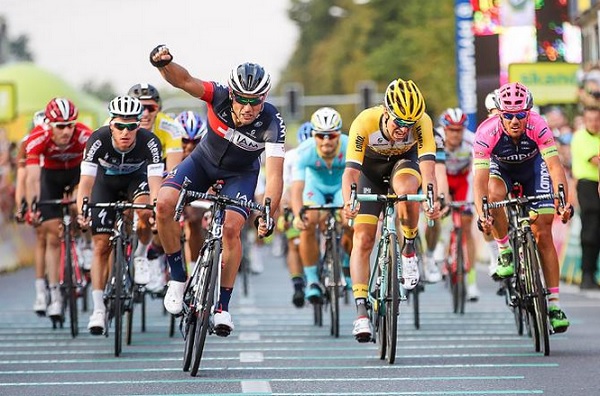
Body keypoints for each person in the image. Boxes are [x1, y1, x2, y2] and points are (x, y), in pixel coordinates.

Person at [149, 44, 285, 336]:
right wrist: (163, 64)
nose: (249, 108)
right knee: (164, 203)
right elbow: (184, 80)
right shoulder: (217, 95)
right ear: (232, 95)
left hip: (241, 175)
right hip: (202, 163)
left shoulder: (272, 122)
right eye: (243, 100)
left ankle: (222, 307)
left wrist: (268, 213)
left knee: (232, 229)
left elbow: (274, 175)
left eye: (256, 101)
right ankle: (177, 277)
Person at [342, 78, 441, 341]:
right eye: (399, 122)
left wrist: (432, 199)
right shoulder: (364, 121)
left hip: (403, 165)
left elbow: (429, 169)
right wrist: (349, 201)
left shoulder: (422, 123)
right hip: (369, 173)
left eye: (410, 124)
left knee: (407, 192)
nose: (404, 128)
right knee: (362, 239)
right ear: (386, 112)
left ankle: (409, 248)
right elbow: (351, 171)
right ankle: (361, 311)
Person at [473, 82, 574, 333]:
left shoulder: (538, 125)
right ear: (500, 113)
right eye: (508, 115)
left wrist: (563, 201)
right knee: (494, 193)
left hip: (532, 169)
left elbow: (554, 166)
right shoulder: (487, 132)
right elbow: (479, 182)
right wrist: (482, 214)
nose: (514, 120)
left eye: (520, 115)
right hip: (501, 171)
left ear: (528, 112)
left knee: (543, 233)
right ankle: (504, 248)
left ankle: (553, 305)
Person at [76, 95, 164, 335]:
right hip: (106, 183)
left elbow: (156, 184)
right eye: (120, 126)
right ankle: (98, 310)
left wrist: (156, 208)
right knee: (101, 245)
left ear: (139, 125)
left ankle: (141, 254)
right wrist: (82, 208)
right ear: (111, 124)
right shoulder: (98, 139)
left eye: (132, 126)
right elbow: (85, 182)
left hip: (137, 181)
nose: (126, 132)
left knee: (145, 213)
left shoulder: (151, 141)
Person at [24, 98, 93, 320]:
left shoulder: (84, 135)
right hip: (50, 180)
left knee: (80, 203)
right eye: (60, 126)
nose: (66, 131)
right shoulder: (38, 137)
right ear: (49, 125)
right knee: (53, 237)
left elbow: (93, 175)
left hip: (76, 176)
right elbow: (32, 179)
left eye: (70, 125)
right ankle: (54, 295)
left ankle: (85, 243)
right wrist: (33, 207)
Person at [291, 107, 349, 305]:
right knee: (308, 223)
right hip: (314, 188)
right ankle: (313, 281)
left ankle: (348, 265)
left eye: (331, 135)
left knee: (352, 221)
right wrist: (299, 215)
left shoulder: (350, 146)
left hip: (342, 187)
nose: (326, 140)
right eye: (321, 135)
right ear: (314, 135)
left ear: (338, 135)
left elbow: (360, 179)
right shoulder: (305, 150)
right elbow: (297, 188)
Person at [280, 121, 312, 307]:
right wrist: (284, 209)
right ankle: (298, 285)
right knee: (294, 244)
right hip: (295, 199)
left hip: (318, 199)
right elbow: (285, 185)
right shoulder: (292, 156)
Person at [570, 106, 600, 290]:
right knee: (591, 228)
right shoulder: (581, 137)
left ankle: (592, 273)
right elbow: (596, 160)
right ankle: (586, 274)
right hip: (588, 185)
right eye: (590, 120)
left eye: (596, 119)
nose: (594, 123)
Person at [127, 83, 184, 172]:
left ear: (158, 109)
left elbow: (172, 172)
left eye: (151, 108)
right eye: (140, 108)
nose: (145, 114)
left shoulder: (171, 127)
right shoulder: (114, 125)